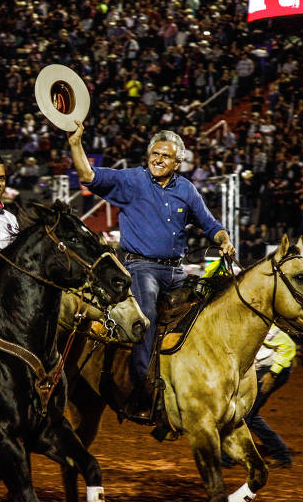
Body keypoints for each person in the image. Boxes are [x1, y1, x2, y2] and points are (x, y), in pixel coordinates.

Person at [67, 120, 235, 419]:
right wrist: (75, 143)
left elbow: (211, 225)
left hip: (177, 271)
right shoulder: (131, 181)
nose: (158, 159)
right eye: (154, 153)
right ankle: (143, 392)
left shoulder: (187, 190)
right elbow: (87, 175)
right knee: (146, 318)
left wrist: (224, 239)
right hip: (140, 267)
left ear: (178, 161)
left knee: (203, 311)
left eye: (165, 156)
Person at [246, 325, 295, 468]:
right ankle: (281, 454)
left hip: (272, 371)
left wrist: (273, 373)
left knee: (247, 413)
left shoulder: (260, 325)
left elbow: (288, 346)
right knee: (249, 413)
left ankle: (226, 457)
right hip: (260, 369)